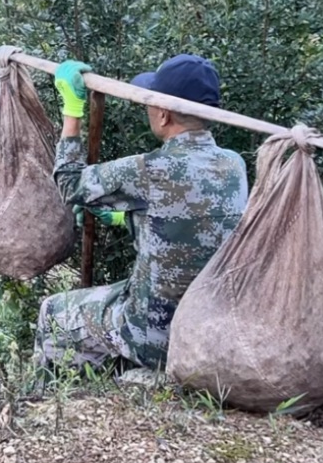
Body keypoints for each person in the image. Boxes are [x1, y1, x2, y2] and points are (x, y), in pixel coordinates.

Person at [35, 54, 249, 372]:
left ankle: (51, 400)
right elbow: (188, 227)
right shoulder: (235, 165)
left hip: (156, 337)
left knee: (53, 311)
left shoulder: (151, 169)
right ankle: (119, 377)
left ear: (163, 115)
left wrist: (72, 111)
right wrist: (127, 218)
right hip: (208, 329)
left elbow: (70, 185)